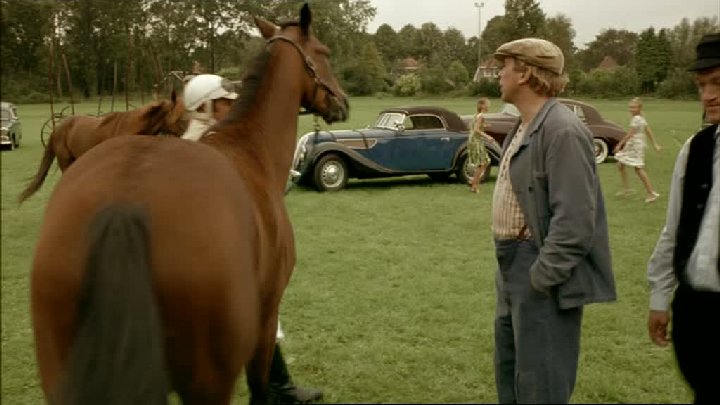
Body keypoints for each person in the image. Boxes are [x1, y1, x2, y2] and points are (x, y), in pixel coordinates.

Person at [182, 74, 323, 404]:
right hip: (217, 257)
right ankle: (273, 387)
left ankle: (279, 384)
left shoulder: (221, 141)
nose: (232, 107)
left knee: (267, 315)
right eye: (224, 102)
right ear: (204, 106)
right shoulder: (198, 148)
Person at [490, 38, 616, 404]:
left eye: (506, 65)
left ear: (526, 73)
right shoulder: (523, 126)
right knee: (511, 379)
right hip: (510, 267)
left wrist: (540, 279)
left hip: (539, 273)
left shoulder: (562, 130)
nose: (500, 73)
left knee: (540, 384)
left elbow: (575, 222)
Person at [646, 33, 720, 404]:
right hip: (697, 313)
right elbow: (673, 229)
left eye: (718, 83)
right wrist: (661, 296)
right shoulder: (696, 150)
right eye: (702, 85)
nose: (708, 95)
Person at [614, 97, 662, 203]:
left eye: (634, 107)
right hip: (634, 144)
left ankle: (651, 193)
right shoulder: (640, 118)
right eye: (630, 107)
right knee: (620, 164)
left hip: (635, 145)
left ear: (639, 108)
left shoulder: (636, 119)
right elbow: (648, 131)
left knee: (638, 169)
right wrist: (655, 144)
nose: (631, 109)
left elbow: (630, 134)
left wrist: (619, 144)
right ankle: (626, 189)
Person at [467, 97, 492, 193]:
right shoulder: (481, 116)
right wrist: (487, 137)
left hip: (472, 140)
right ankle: (474, 184)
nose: (488, 106)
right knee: (483, 162)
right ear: (482, 106)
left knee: (482, 162)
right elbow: (476, 130)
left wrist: (484, 126)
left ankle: (473, 183)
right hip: (476, 141)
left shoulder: (476, 115)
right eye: (487, 104)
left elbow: (471, 126)